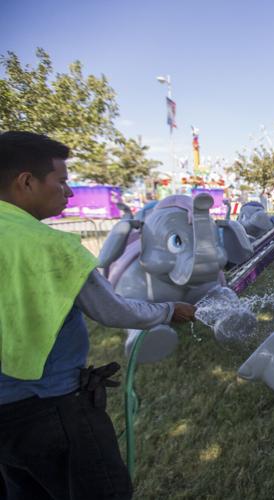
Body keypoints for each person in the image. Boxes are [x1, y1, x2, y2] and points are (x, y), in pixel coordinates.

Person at [0, 131, 196, 500]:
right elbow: (113, 309)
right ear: (26, 181)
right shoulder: (50, 246)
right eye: (61, 182)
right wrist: (169, 310)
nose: (69, 193)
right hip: (54, 407)